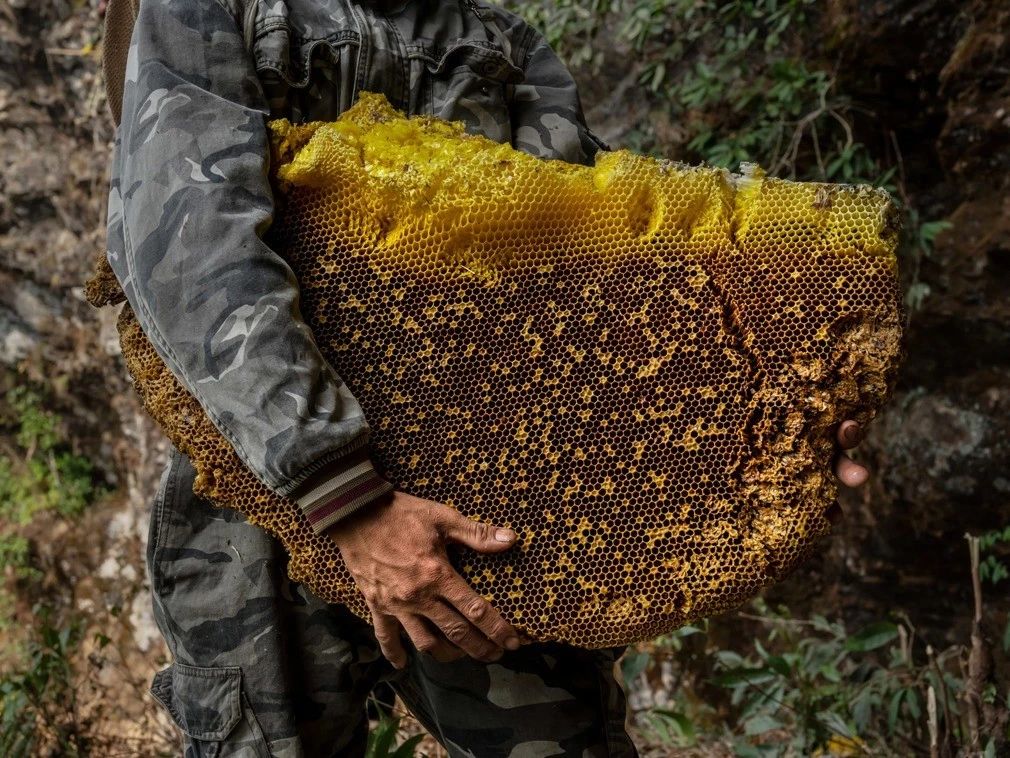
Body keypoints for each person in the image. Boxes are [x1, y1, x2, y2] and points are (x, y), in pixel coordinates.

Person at [104, 0, 871, 754]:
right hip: (264, 493)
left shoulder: (500, 42)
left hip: (490, 517)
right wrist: (345, 497)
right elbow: (186, 241)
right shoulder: (213, 7)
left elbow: (592, 278)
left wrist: (780, 400)